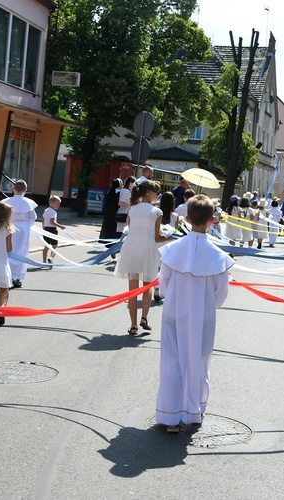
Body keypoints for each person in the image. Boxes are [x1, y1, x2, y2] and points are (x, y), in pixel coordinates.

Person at [155, 194, 234, 432]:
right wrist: (209, 303)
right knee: (199, 361)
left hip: (174, 311)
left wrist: (176, 298)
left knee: (172, 359)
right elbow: (221, 293)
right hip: (204, 315)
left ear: (187, 219)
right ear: (212, 220)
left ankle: (170, 415)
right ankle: (193, 411)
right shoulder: (218, 256)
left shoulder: (173, 250)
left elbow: (163, 286)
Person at [114, 180, 170, 335]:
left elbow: (131, 230)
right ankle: (144, 317)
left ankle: (133, 325)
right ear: (149, 193)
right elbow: (157, 237)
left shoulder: (132, 209)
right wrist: (170, 237)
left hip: (131, 248)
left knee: (132, 289)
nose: (157, 196)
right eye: (157, 193)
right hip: (147, 248)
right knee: (148, 285)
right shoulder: (157, 212)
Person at [3, 179, 38, 288]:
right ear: (25, 190)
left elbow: (3, 216)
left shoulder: (6, 201)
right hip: (23, 228)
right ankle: (17, 277)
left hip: (10, 227)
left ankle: (7, 275)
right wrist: (28, 226)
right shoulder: (28, 202)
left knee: (8, 250)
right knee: (22, 252)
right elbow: (33, 217)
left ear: (13, 189)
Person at [42, 195, 66, 266]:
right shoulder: (53, 212)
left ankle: (44, 262)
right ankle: (51, 257)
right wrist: (60, 226)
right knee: (54, 246)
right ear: (52, 204)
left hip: (46, 229)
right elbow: (52, 222)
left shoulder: (46, 210)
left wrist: (43, 228)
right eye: (57, 204)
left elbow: (43, 220)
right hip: (52, 229)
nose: (59, 205)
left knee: (46, 246)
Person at [99, 178, 122, 243]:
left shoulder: (109, 192)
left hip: (108, 213)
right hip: (116, 214)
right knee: (115, 229)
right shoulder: (119, 193)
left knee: (108, 227)